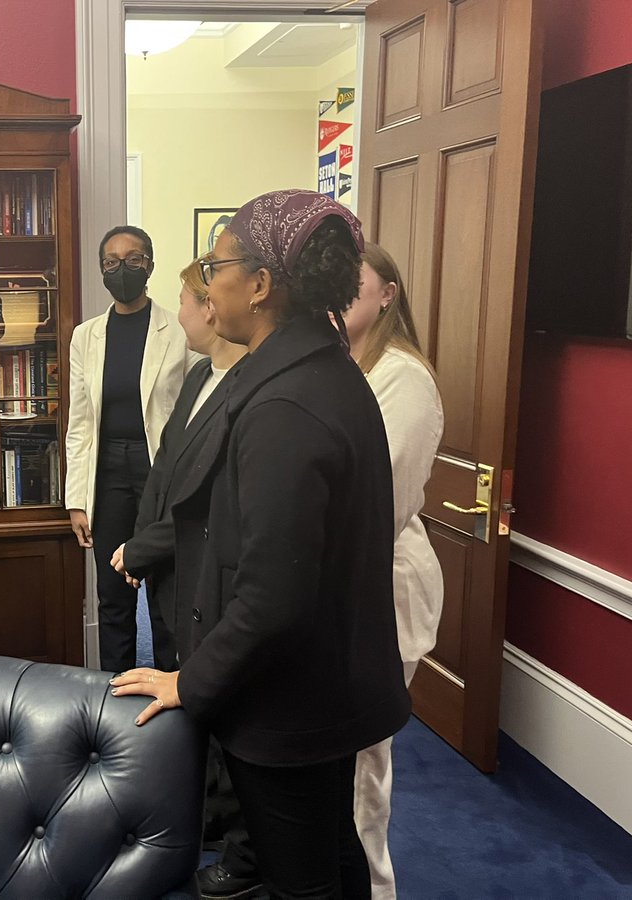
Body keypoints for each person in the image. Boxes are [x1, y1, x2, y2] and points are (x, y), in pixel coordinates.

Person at [111, 189, 410, 898]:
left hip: (291, 704)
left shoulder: (286, 403)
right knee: (336, 864)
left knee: (301, 878)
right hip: (323, 687)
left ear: (263, 284)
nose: (209, 286)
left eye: (217, 266)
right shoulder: (319, 370)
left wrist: (192, 680)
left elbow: (273, 593)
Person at [343, 242, 444, 900]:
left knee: (363, 761)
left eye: (356, 284)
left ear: (389, 294)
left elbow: (382, 502)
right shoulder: (348, 364)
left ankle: (373, 887)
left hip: (384, 584)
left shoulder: (403, 378)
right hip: (344, 584)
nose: (341, 296)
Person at [65, 225, 196, 672]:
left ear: (150, 266)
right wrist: (77, 500)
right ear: (102, 270)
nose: (122, 269)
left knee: (164, 585)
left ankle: (169, 690)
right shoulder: (86, 336)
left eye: (133, 259)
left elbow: (195, 407)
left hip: (161, 469)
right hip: (106, 473)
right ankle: (113, 696)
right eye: (111, 262)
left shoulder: (178, 332)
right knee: (113, 593)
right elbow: (80, 422)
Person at [111, 257, 246, 670]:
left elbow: (210, 495)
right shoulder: (200, 375)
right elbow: (164, 469)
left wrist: (143, 548)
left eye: (184, 301)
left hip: (202, 566)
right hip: (166, 562)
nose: (179, 313)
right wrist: (140, 545)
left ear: (209, 308)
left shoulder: (246, 388)